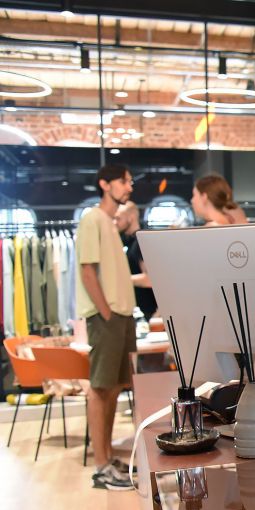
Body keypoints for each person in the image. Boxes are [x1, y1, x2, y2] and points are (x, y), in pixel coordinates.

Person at [77, 164, 137, 491]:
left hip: (121, 315)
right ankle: (101, 466)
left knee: (113, 388)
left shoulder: (110, 224)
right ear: (104, 184)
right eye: (123, 181)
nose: (129, 186)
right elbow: (88, 271)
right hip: (108, 317)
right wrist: (106, 312)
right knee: (101, 389)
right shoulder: (93, 219)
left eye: (129, 181)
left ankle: (108, 457)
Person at [114, 201, 157, 320]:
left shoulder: (141, 242)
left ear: (131, 217)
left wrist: (121, 280)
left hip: (149, 311)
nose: (115, 222)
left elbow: (150, 279)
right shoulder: (128, 242)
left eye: (118, 218)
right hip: (138, 311)